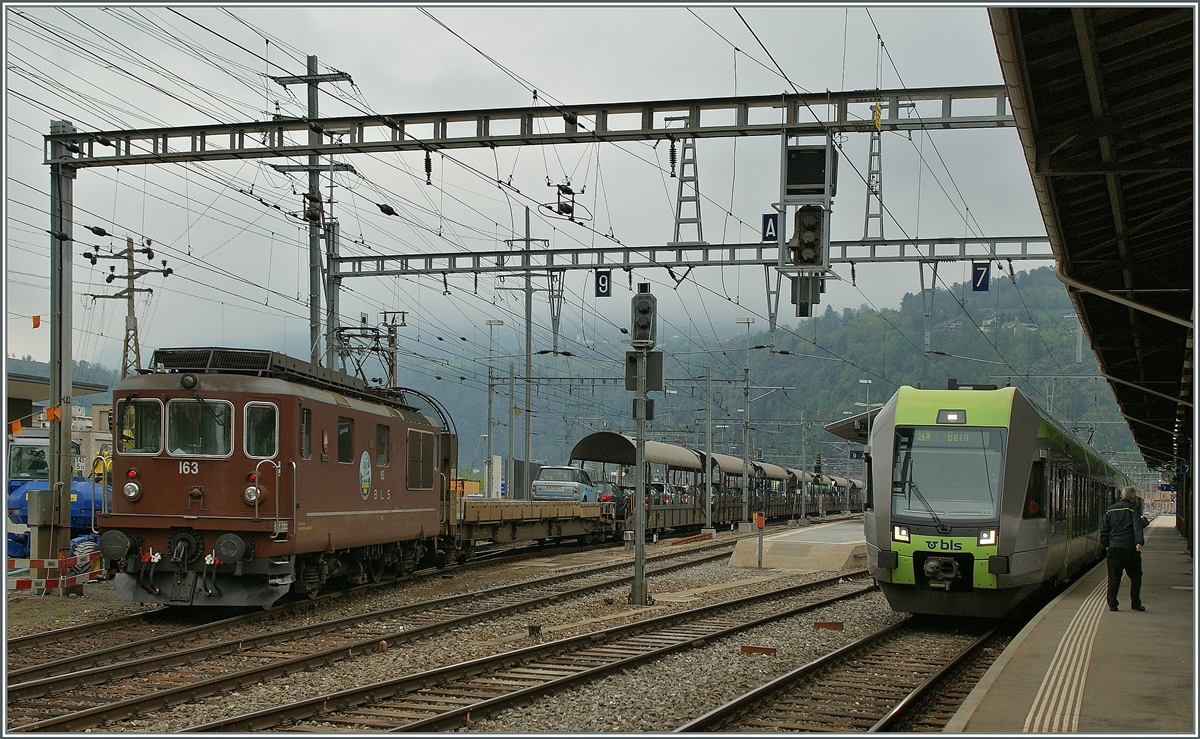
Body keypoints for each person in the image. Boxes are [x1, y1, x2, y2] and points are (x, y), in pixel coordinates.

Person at [1100, 486, 1145, 612]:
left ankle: (1112, 604)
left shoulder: (1110, 510)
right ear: (1133, 498)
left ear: (1121, 496)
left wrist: (1106, 543)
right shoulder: (1133, 509)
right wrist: (1139, 542)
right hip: (1130, 549)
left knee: (1114, 577)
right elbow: (1137, 527)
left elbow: (1104, 529)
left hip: (1114, 548)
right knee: (1136, 576)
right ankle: (1135, 603)